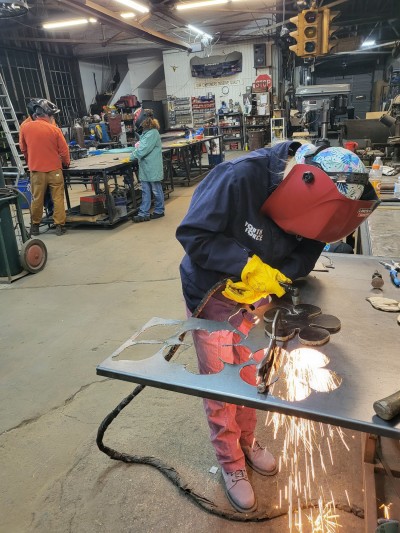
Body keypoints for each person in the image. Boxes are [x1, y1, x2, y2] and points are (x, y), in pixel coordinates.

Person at [176, 142, 379, 513]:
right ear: (300, 183)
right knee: (221, 381)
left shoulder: (328, 207)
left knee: (252, 373)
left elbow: (305, 253)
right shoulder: (239, 178)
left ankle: (248, 441)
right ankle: (230, 461)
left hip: (258, 296)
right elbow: (194, 235)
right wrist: (244, 267)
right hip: (214, 291)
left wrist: (277, 278)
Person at [19, 98, 70, 236]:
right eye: (51, 115)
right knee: (58, 198)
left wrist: (32, 161)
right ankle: (60, 226)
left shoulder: (25, 127)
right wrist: (67, 163)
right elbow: (64, 151)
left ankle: (35, 226)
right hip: (55, 170)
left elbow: (23, 149)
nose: (52, 117)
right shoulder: (54, 129)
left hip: (36, 171)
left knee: (37, 199)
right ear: (46, 114)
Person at [131, 109, 165, 223]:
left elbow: (142, 150)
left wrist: (132, 156)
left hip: (152, 167)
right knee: (145, 190)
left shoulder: (152, 133)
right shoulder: (147, 133)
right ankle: (143, 212)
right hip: (146, 167)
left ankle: (159, 210)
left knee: (156, 189)